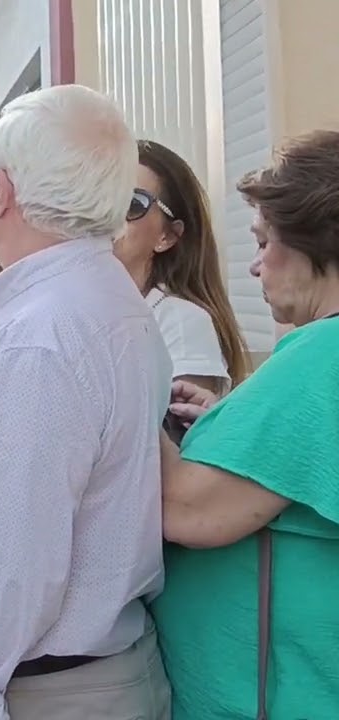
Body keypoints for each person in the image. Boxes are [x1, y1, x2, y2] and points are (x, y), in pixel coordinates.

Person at [0, 85, 173, 720]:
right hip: (67, 677)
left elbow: (5, 557)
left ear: (1, 192)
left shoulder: (42, 335)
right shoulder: (99, 303)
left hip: (37, 688)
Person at [151, 129, 339, 719]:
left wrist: (122, 387)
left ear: (319, 243)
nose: (255, 265)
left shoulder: (321, 355)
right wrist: (222, 424)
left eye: (264, 242)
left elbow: (187, 510)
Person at [114, 139, 251, 393]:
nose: (109, 215)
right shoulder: (93, 309)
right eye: (101, 198)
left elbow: (179, 431)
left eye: (132, 203)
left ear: (167, 236)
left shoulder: (181, 321)